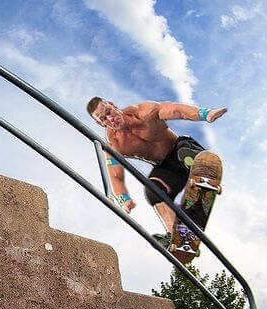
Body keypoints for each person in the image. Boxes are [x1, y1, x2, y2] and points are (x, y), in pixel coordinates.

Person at [86, 96, 227, 246]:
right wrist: (124, 200)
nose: (110, 118)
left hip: (181, 150)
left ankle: (204, 175)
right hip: (166, 168)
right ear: (99, 122)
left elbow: (177, 110)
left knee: (184, 152)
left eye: (109, 111)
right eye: (104, 118)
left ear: (112, 104)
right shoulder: (115, 144)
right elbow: (116, 176)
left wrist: (206, 114)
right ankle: (176, 236)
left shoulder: (144, 112)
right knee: (152, 191)